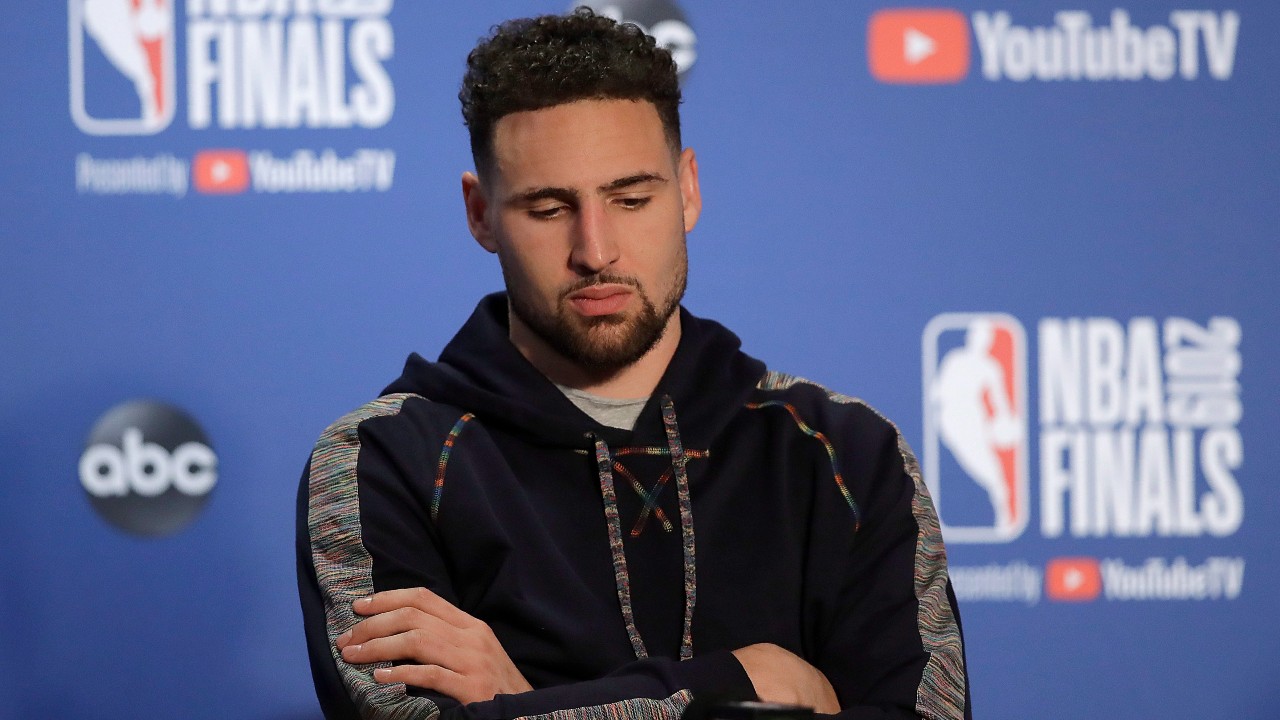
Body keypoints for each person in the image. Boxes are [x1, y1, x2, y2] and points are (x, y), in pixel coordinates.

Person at [297, 9, 970, 720]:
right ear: (480, 213)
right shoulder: (383, 461)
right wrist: (750, 679)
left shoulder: (846, 455)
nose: (596, 250)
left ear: (687, 189)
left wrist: (524, 704)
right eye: (550, 208)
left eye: (631, 199)